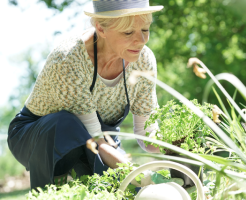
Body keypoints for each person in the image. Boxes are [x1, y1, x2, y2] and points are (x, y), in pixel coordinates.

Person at [7, 0, 163, 190]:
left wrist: (180, 147)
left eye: (145, 30)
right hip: (37, 135)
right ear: (101, 28)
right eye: (128, 32)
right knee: (65, 122)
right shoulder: (69, 58)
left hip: (98, 138)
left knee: (129, 188)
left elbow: (147, 132)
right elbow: (94, 137)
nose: (141, 40)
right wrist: (139, 175)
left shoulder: (144, 60)